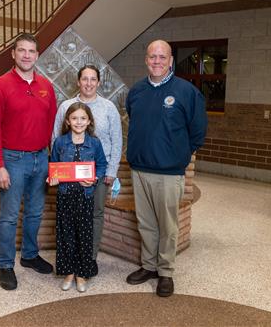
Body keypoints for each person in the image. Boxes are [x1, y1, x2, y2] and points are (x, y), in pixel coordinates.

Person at [125, 39, 207, 297]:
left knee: (168, 226)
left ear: (171, 60)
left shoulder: (186, 92)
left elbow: (198, 132)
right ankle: (149, 266)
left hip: (169, 174)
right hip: (139, 170)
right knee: (146, 224)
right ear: (146, 60)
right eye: (152, 57)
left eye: (162, 57)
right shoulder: (136, 91)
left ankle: (166, 272)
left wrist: (179, 155)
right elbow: (134, 120)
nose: (157, 61)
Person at [0, 33, 57, 291]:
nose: (27, 55)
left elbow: (51, 126)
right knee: (9, 216)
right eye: (21, 50)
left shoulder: (46, 86)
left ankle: (29, 255)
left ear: (37, 55)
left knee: (35, 212)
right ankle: (5, 265)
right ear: (13, 54)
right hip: (12, 160)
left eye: (31, 51)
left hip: (41, 158)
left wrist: (52, 161)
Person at [52, 65, 122, 272]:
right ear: (78, 81)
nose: (89, 83)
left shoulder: (109, 107)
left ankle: (89, 257)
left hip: (98, 173)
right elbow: (55, 138)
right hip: (68, 177)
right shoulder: (66, 106)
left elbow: (117, 140)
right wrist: (57, 172)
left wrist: (110, 171)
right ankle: (72, 258)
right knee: (69, 216)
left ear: (99, 82)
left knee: (95, 214)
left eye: (93, 79)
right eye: (85, 79)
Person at [49, 102, 107, 292]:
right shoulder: (60, 142)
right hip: (65, 196)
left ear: (89, 120)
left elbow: (101, 164)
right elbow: (54, 166)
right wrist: (53, 178)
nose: (79, 122)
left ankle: (82, 274)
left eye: (83, 118)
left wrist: (94, 179)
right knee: (66, 234)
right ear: (68, 120)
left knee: (84, 235)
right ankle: (69, 272)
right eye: (74, 118)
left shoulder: (95, 143)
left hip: (85, 196)